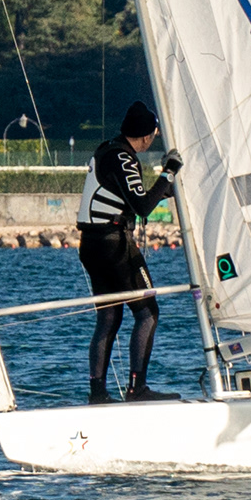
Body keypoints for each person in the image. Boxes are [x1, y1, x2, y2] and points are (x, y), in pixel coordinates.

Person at [79, 102, 180, 404]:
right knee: (148, 312)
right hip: (113, 244)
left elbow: (132, 196)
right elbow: (142, 206)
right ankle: (137, 389)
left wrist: (166, 186)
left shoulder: (108, 150)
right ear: (146, 136)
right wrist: (169, 172)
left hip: (92, 244)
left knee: (109, 317)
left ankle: (98, 393)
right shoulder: (123, 158)